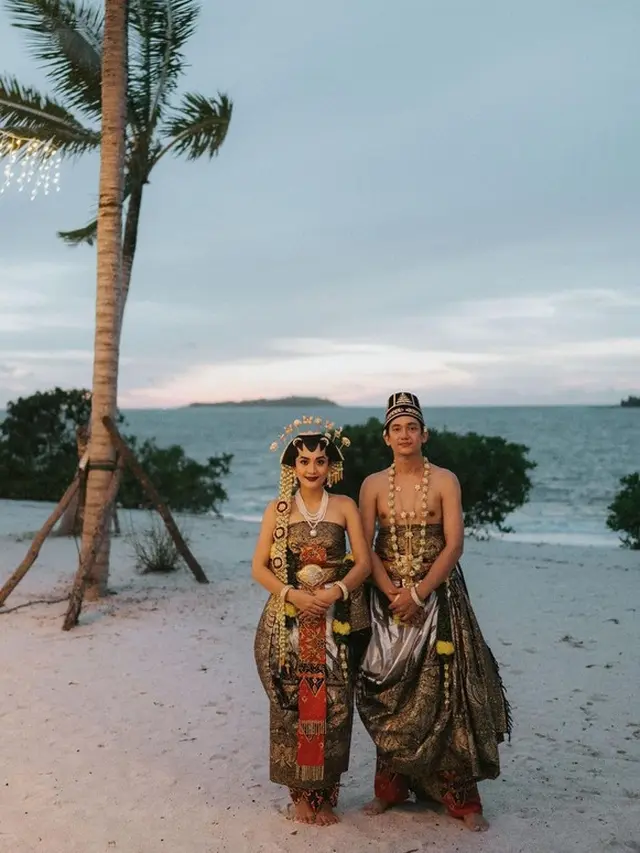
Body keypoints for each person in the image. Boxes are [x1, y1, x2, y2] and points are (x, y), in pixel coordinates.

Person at [356, 392, 511, 832]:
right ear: (386, 437)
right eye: (397, 428)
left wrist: (419, 594)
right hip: (388, 600)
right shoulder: (371, 485)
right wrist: (392, 595)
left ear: (424, 434)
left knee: (449, 693)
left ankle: (462, 799)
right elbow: (365, 546)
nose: (405, 435)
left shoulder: (444, 479)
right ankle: (390, 789)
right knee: (390, 690)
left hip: (438, 597)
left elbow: (455, 544)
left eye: (412, 427)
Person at [252, 418, 371, 826]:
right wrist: (295, 595)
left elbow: (364, 562)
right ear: (292, 466)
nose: (312, 468)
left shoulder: (344, 506)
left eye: (320, 461)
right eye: (304, 461)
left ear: (331, 466)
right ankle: (301, 794)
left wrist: (335, 592)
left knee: (334, 702)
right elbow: (260, 567)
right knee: (294, 702)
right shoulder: (278, 510)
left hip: (333, 619)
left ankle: (326, 792)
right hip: (290, 620)